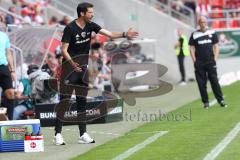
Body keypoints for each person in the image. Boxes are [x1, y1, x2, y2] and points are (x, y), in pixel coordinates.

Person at [54, 2, 138, 145]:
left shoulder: (91, 25)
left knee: (82, 102)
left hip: (83, 69)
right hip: (69, 69)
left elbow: (110, 34)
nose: (92, 15)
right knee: (65, 101)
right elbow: (63, 49)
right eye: (90, 13)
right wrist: (73, 64)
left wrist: (125, 34)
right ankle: (57, 134)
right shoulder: (70, 28)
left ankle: (83, 134)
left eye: (92, 12)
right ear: (82, 13)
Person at [189, 16, 227, 109]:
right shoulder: (194, 34)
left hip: (210, 61)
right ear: (199, 23)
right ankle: (205, 102)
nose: (203, 24)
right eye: (201, 22)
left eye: (204, 22)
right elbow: (191, 48)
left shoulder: (212, 32)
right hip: (199, 63)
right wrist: (194, 61)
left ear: (206, 23)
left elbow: (216, 45)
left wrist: (215, 58)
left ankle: (221, 100)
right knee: (201, 83)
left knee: (214, 81)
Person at [0, 31, 16, 120]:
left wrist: (12, 70)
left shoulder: (4, 35)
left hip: (3, 67)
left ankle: (10, 120)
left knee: (11, 93)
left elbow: (8, 54)